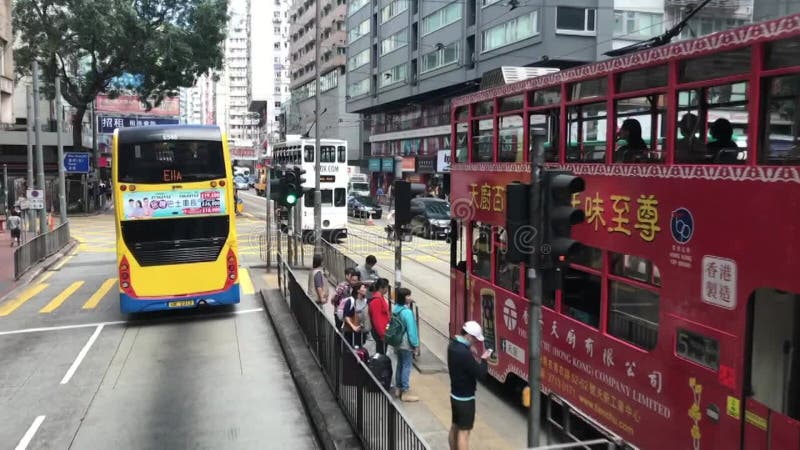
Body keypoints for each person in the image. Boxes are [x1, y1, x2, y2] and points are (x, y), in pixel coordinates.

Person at [448, 321, 491, 450]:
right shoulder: (464, 354)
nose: (475, 342)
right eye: (474, 340)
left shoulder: (453, 346)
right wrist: (484, 360)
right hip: (465, 400)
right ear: (468, 336)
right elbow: (481, 374)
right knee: (464, 433)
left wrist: (468, 348)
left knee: (455, 426)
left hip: (454, 396)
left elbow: (461, 349)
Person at [391, 287, 419, 402]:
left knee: (400, 365)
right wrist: (415, 344)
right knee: (407, 366)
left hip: (396, 342)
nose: (410, 298)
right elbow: (412, 331)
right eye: (408, 296)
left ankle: (398, 389)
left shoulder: (395, 309)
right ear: (404, 298)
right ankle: (405, 392)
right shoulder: (407, 312)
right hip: (406, 343)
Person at [368, 278, 391, 354]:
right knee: (381, 352)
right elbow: (377, 320)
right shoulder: (376, 301)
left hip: (384, 331)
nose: (387, 289)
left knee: (382, 351)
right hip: (381, 333)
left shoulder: (380, 298)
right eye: (386, 287)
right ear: (381, 288)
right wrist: (382, 334)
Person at [342, 282, 369, 347]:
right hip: (350, 332)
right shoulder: (351, 301)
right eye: (363, 288)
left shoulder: (365, 301)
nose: (365, 289)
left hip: (361, 332)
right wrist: (353, 326)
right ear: (358, 290)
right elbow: (345, 316)